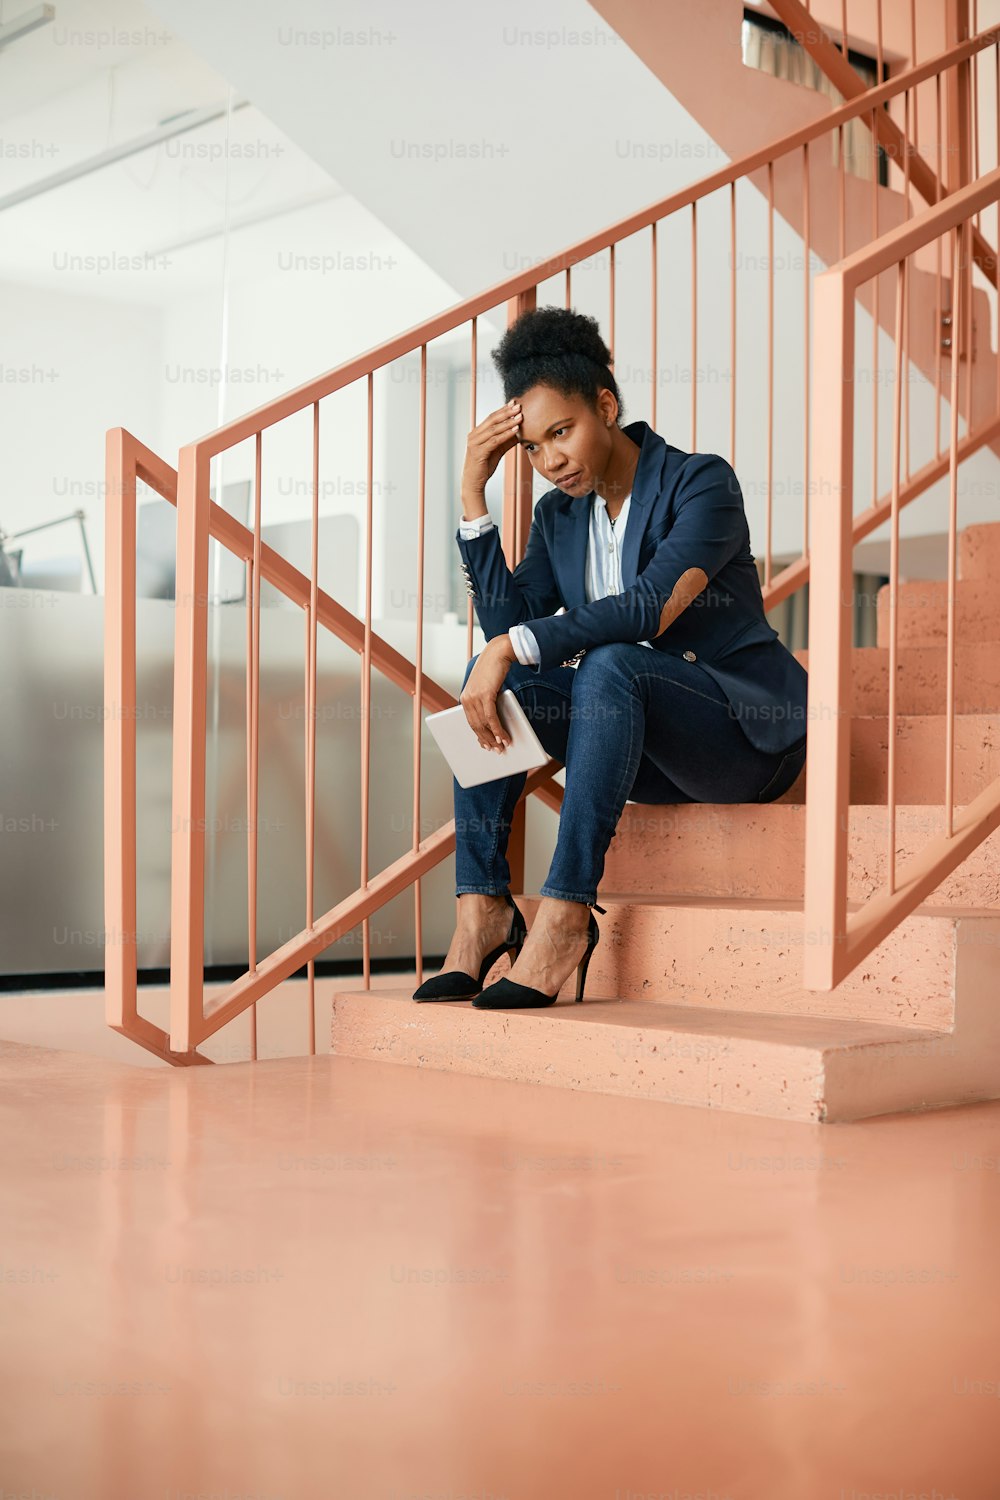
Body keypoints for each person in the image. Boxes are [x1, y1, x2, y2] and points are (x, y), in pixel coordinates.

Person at [413, 306, 808, 1010]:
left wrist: (510, 645)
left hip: (744, 738)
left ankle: (566, 915)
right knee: (505, 695)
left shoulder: (700, 483)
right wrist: (474, 498)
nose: (550, 460)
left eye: (560, 432)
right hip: (641, 750)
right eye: (532, 448)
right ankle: (482, 911)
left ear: (605, 405)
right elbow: (516, 631)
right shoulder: (557, 517)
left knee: (610, 660)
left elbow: (652, 606)